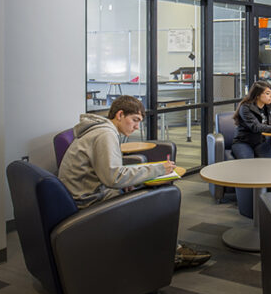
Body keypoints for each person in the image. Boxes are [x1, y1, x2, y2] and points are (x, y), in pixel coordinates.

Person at [57, 95, 211, 269]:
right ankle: (171, 255)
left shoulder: (99, 130)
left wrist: (128, 181)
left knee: (145, 195)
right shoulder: (105, 134)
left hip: (87, 194)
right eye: (134, 120)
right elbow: (113, 177)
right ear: (120, 115)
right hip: (89, 202)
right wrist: (159, 169)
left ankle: (171, 248)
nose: (137, 126)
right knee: (155, 202)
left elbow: (105, 173)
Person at [232, 80, 271, 202]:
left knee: (270, 164)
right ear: (258, 94)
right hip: (243, 142)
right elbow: (256, 127)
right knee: (247, 164)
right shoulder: (246, 108)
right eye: (268, 93)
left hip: (261, 142)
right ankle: (247, 199)